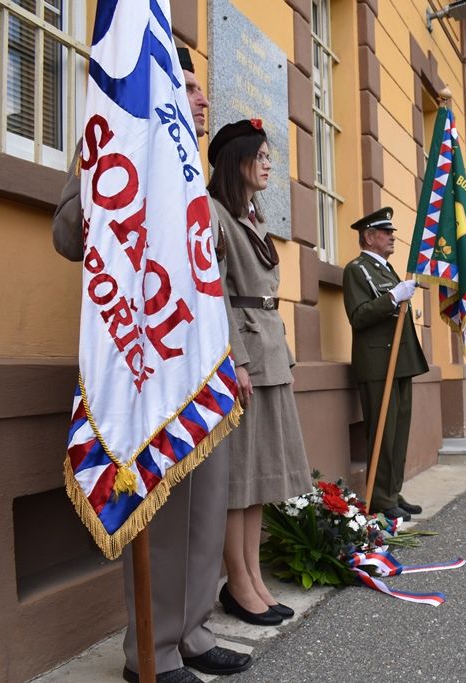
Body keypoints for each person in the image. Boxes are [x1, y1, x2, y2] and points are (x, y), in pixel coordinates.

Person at [52, 47, 251, 683]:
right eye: (188, 85)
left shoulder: (197, 168)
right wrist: (116, 184)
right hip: (146, 364)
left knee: (204, 508)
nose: (200, 99)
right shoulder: (110, 140)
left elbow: (215, 280)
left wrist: (235, 360)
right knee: (162, 520)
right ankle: (154, 653)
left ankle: (191, 632)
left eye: (201, 89)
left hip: (201, 362)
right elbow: (65, 234)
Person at [206, 119, 311, 625]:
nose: (270, 163)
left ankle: (252, 576)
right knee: (239, 479)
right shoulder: (214, 214)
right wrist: (236, 360)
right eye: (262, 155)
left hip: (269, 352)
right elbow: (217, 292)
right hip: (245, 356)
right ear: (238, 159)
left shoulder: (251, 216)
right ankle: (237, 585)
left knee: (260, 476)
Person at [342, 207, 430, 520]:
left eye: (392, 231)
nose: (393, 236)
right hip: (378, 363)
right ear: (369, 236)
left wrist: (395, 293)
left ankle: (392, 491)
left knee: (399, 431)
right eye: (386, 232)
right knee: (383, 430)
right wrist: (393, 297)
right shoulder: (357, 270)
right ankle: (380, 498)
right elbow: (359, 316)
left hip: (400, 360)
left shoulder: (386, 269)